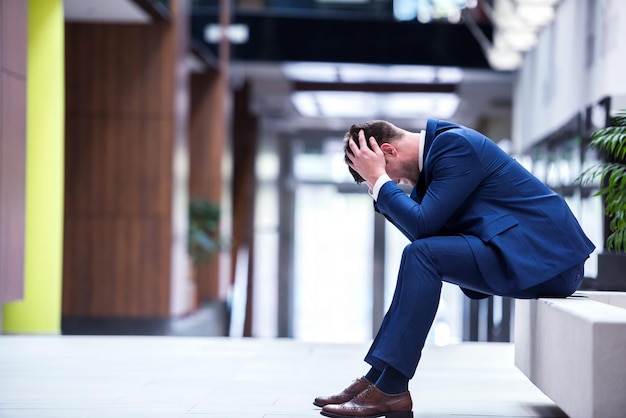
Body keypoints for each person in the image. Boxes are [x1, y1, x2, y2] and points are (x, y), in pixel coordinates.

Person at [314, 119, 595, 418]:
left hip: (551, 259)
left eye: (384, 173)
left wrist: (381, 182)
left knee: (421, 255)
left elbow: (422, 228)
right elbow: (423, 232)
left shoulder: (454, 146)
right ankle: (377, 380)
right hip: (523, 254)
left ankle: (391, 386)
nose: (393, 184)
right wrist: (379, 184)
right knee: (420, 255)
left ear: (388, 151)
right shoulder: (436, 169)